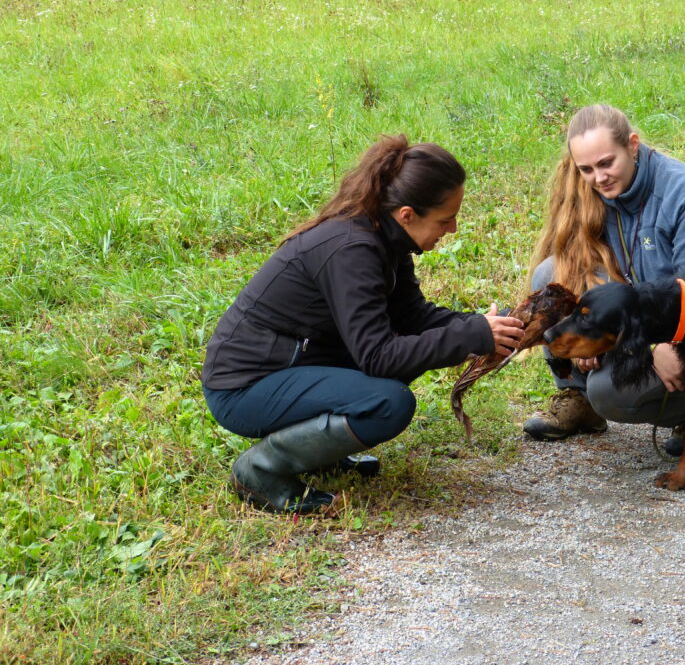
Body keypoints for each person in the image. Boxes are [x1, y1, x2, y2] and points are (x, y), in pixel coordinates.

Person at [202, 135, 525, 514]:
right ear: (406, 214)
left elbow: (412, 317)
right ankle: (259, 470)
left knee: (402, 361)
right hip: (244, 388)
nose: (452, 229)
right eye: (446, 219)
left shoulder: (384, 236)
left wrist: (478, 326)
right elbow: (379, 358)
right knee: (389, 402)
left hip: (295, 366)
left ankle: (316, 449)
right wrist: (472, 334)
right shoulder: (351, 249)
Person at [523, 104, 685, 453]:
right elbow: (603, 286)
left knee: (611, 393)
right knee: (549, 276)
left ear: (633, 145)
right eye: (586, 169)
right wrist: (586, 337)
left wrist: (664, 347)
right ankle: (579, 398)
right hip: (645, 320)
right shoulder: (594, 194)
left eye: (607, 163)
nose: (599, 178)